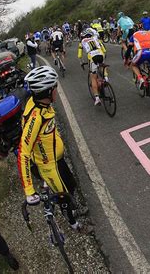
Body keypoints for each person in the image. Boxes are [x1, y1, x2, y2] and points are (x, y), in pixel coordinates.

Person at [18, 66, 89, 234]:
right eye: (55, 87)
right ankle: (74, 224)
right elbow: (23, 154)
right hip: (48, 165)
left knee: (70, 185)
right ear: (47, 92)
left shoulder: (41, 103)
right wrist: (29, 190)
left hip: (56, 159)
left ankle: (71, 209)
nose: (57, 90)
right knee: (63, 196)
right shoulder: (36, 118)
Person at [78, 28, 108, 106]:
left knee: (93, 77)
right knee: (102, 66)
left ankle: (97, 98)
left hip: (92, 57)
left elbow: (79, 55)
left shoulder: (82, 42)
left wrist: (81, 62)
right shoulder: (96, 39)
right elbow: (104, 50)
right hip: (101, 54)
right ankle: (106, 78)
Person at [129, 24, 150, 91]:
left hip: (142, 53)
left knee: (133, 65)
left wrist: (126, 59)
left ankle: (140, 79)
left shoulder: (134, 34)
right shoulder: (148, 33)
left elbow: (129, 48)